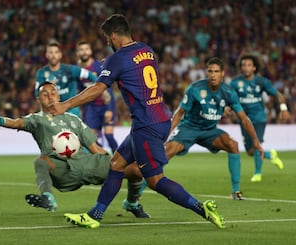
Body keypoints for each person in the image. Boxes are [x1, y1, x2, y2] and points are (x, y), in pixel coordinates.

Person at [53, 14, 225, 229]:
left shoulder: (118, 58)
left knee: (155, 181)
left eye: (108, 38)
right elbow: (134, 70)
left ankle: (202, 208)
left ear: (114, 35)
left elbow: (98, 89)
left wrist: (64, 105)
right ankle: (95, 215)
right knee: (116, 164)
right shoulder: (146, 49)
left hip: (146, 125)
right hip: (160, 118)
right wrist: (113, 65)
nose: (108, 42)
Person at [0, 82, 150, 218]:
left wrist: (112, 162)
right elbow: (17, 122)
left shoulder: (74, 120)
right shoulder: (37, 120)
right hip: (62, 170)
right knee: (41, 162)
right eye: (44, 94)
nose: (50, 97)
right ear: (38, 99)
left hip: (87, 163)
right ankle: (47, 198)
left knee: (135, 170)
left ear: (58, 95)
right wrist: (0, 121)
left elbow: (95, 148)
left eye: (53, 93)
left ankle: (132, 204)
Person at [165, 57, 264, 201]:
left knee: (233, 145)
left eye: (216, 71)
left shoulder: (228, 92)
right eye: (210, 71)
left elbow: (244, 118)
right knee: (166, 153)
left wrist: (255, 141)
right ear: (206, 73)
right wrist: (165, 135)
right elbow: (179, 113)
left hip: (209, 131)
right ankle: (136, 195)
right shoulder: (195, 88)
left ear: (222, 73)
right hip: (189, 128)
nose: (213, 74)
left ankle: (236, 191)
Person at [229, 53, 290, 182]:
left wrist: (283, 108)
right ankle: (270, 155)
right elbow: (228, 97)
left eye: (249, 65)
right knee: (250, 152)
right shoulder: (235, 83)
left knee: (257, 145)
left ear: (254, 68)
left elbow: (278, 94)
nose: (246, 67)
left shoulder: (262, 81)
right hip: (244, 119)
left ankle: (257, 174)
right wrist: (226, 107)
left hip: (259, 118)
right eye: (244, 65)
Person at [34, 40, 99, 117]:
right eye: (50, 52)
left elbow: (90, 75)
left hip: (71, 112)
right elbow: (37, 93)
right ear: (46, 55)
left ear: (60, 55)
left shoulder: (70, 70)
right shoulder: (41, 73)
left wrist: (100, 89)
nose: (53, 55)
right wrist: (47, 87)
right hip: (52, 112)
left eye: (56, 52)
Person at [76, 40, 118, 153]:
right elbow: (81, 91)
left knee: (109, 135)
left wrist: (109, 109)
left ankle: (120, 161)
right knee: (91, 140)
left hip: (105, 104)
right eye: (81, 50)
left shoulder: (98, 66)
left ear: (90, 51)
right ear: (77, 53)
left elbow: (108, 88)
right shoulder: (79, 71)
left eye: (86, 49)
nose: (84, 52)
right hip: (91, 108)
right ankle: (105, 158)